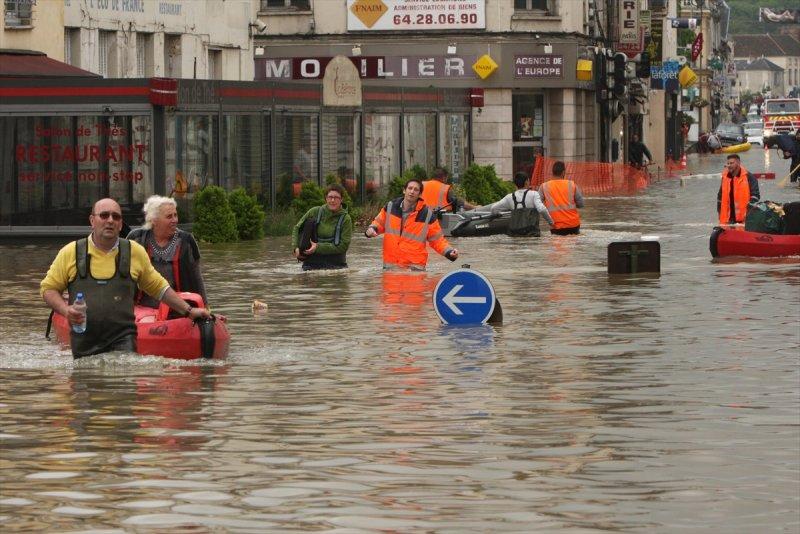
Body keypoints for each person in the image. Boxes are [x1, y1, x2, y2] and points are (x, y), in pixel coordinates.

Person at [41, 198, 211, 358]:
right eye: (104, 215)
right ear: (92, 220)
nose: (110, 220)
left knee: (125, 385)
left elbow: (160, 288)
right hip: (84, 341)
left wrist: (189, 311)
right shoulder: (70, 252)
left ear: (121, 223)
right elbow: (48, 289)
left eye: (115, 217)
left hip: (123, 340)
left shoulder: (134, 252)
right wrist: (65, 311)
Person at [127, 195, 207, 308]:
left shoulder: (187, 241)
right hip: (141, 309)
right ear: (154, 220)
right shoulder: (136, 238)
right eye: (169, 217)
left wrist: (206, 308)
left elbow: (197, 278)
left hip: (177, 309)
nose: (175, 220)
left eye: (175, 215)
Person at [365, 178, 459, 270]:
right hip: (391, 266)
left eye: (416, 189)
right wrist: (372, 229)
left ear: (420, 194)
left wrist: (449, 252)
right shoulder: (390, 207)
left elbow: (438, 241)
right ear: (404, 190)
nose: (412, 191)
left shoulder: (427, 215)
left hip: (414, 269)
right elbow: (379, 223)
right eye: (410, 188)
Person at [291, 184, 354, 270]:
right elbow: (297, 228)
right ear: (326, 198)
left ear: (341, 199)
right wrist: (296, 248)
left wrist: (317, 247)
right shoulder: (314, 211)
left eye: (336, 197)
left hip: (336, 266)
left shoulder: (346, 219)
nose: (332, 200)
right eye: (330, 197)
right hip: (310, 264)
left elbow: (343, 246)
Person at [485, 172, 554, 233]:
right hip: (531, 233)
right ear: (526, 182)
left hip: (515, 233)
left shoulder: (509, 197)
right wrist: (551, 223)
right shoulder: (534, 194)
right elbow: (542, 209)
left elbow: (493, 208)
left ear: (515, 184)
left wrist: (498, 215)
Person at [538, 161, 585, 235]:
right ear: (563, 172)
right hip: (573, 225)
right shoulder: (572, 184)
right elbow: (581, 204)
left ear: (553, 172)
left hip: (555, 226)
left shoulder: (544, 186)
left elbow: (538, 206)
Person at [716, 154, 760, 225]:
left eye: (732, 163)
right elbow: (720, 197)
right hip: (727, 220)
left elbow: (755, 196)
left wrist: (749, 213)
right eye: (728, 163)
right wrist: (719, 213)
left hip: (744, 220)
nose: (729, 165)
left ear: (738, 163)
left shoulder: (749, 177)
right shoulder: (725, 177)